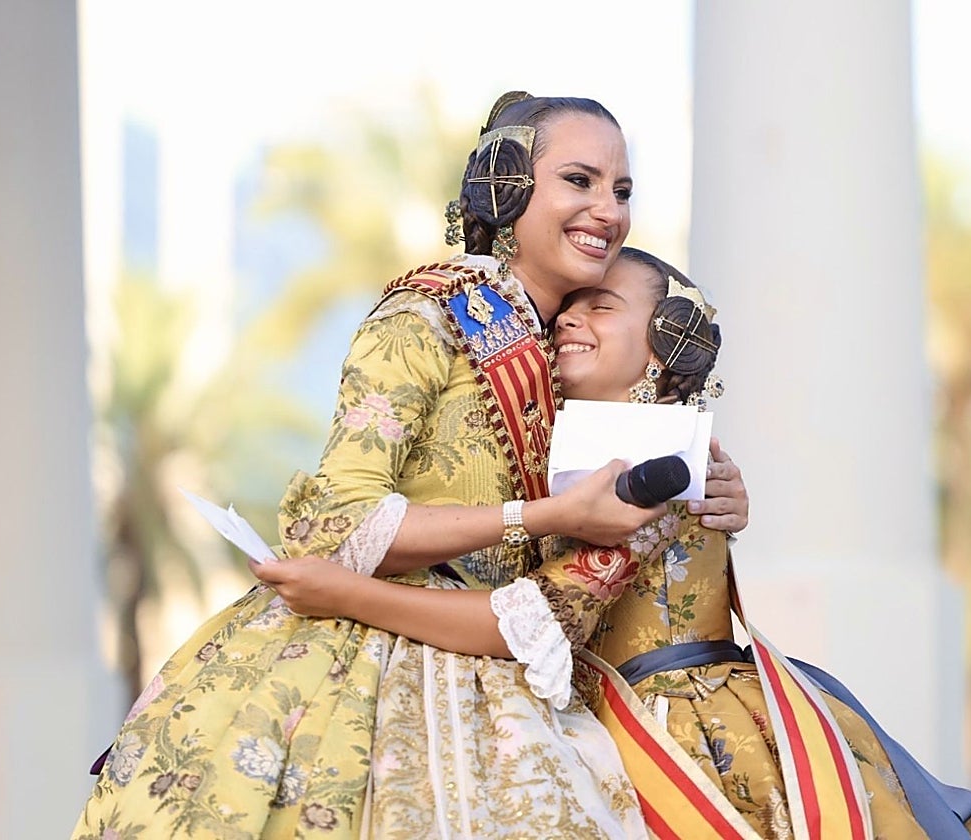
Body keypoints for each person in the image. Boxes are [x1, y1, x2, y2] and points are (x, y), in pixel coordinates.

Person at [73, 92, 747, 839]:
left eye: (621, 190)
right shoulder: (425, 315)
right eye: (579, 181)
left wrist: (712, 492)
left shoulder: (571, 356)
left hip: (505, 672)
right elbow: (334, 522)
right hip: (356, 664)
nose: (608, 210)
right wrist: (540, 516)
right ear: (506, 185)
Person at [256, 248, 971, 840]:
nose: (570, 321)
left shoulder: (644, 454)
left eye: (601, 307)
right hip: (619, 711)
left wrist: (345, 593)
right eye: (568, 310)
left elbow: (532, 624)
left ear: (663, 346)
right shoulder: (613, 445)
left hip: (678, 730)